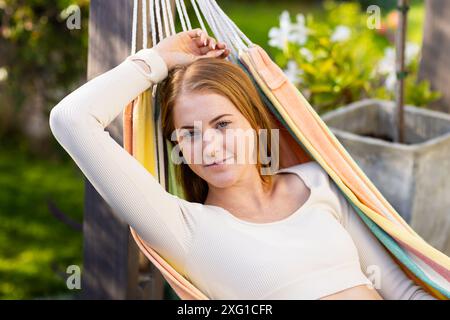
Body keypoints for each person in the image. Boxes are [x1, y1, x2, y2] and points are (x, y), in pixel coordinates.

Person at [49, 29, 436, 300]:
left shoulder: (317, 181)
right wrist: (157, 60)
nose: (210, 147)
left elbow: (402, 291)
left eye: (222, 124)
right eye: (189, 133)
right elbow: (71, 119)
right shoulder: (187, 231)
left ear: (254, 122)